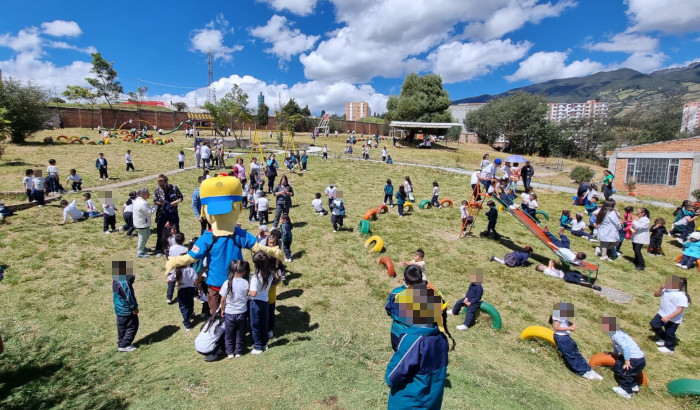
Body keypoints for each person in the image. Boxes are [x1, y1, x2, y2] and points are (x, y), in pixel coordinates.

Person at [385, 270, 449, 409]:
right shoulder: (442, 339)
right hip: (431, 402)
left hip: (408, 402)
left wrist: (389, 378)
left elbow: (394, 374)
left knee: (404, 359)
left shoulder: (413, 339)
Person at [550, 302, 602, 380]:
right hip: (561, 338)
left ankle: (587, 369)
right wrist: (569, 328)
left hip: (565, 337)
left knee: (575, 352)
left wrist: (572, 324)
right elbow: (556, 327)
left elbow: (565, 322)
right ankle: (581, 371)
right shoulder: (557, 316)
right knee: (571, 355)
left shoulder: (562, 315)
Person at [600, 316, 646, 399]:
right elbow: (616, 344)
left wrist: (627, 361)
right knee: (623, 368)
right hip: (639, 358)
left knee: (625, 373)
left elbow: (625, 347)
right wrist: (615, 353)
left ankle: (626, 391)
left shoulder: (616, 334)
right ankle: (633, 385)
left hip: (633, 359)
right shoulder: (614, 333)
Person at [650, 275, 690, 354]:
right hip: (661, 314)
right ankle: (664, 338)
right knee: (654, 324)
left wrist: (668, 317)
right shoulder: (666, 290)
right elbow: (656, 294)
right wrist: (660, 289)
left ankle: (670, 348)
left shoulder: (681, 296)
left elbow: (680, 310)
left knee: (669, 333)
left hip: (673, 319)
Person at [220, 260, 250, 358]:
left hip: (229, 312)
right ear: (244, 272)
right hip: (242, 311)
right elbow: (247, 295)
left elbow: (223, 299)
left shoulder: (227, 283)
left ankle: (229, 352)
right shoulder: (246, 283)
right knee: (240, 333)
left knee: (229, 333)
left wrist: (222, 309)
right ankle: (239, 351)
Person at [249, 252, 274, 354]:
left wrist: (248, 290)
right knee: (264, 324)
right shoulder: (269, 275)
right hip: (265, 302)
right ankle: (264, 343)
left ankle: (257, 346)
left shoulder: (255, 278)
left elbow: (253, 293)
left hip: (255, 303)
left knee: (255, 325)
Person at [112, 261, 139, 352]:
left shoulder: (116, 280)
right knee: (132, 326)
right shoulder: (124, 283)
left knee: (122, 327)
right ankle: (125, 345)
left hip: (119, 309)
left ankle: (121, 343)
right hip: (126, 309)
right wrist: (134, 307)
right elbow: (129, 297)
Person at [153, 175, 184, 256]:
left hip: (173, 212)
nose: (161, 187)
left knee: (176, 229)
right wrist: (160, 203)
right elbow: (155, 200)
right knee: (160, 231)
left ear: (166, 182)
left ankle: (178, 246)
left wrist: (177, 201)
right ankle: (159, 249)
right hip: (162, 213)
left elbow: (181, 197)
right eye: (160, 185)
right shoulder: (157, 190)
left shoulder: (174, 188)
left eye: (162, 185)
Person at [535, 261, 601, 290]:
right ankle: (591, 285)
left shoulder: (549, 270)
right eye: (543, 265)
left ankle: (582, 279)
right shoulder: (546, 271)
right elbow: (549, 268)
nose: (545, 265)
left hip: (565, 273)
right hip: (565, 277)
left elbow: (553, 269)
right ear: (542, 267)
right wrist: (550, 262)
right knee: (577, 280)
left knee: (576, 272)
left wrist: (553, 265)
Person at [133, 188, 157, 258]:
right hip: (142, 223)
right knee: (142, 238)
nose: (149, 194)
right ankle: (140, 252)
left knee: (148, 233)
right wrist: (155, 205)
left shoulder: (137, 200)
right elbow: (150, 212)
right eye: (147, 193)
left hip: (140, 222)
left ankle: (142, 247)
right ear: (143, 195)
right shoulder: (143, 203)